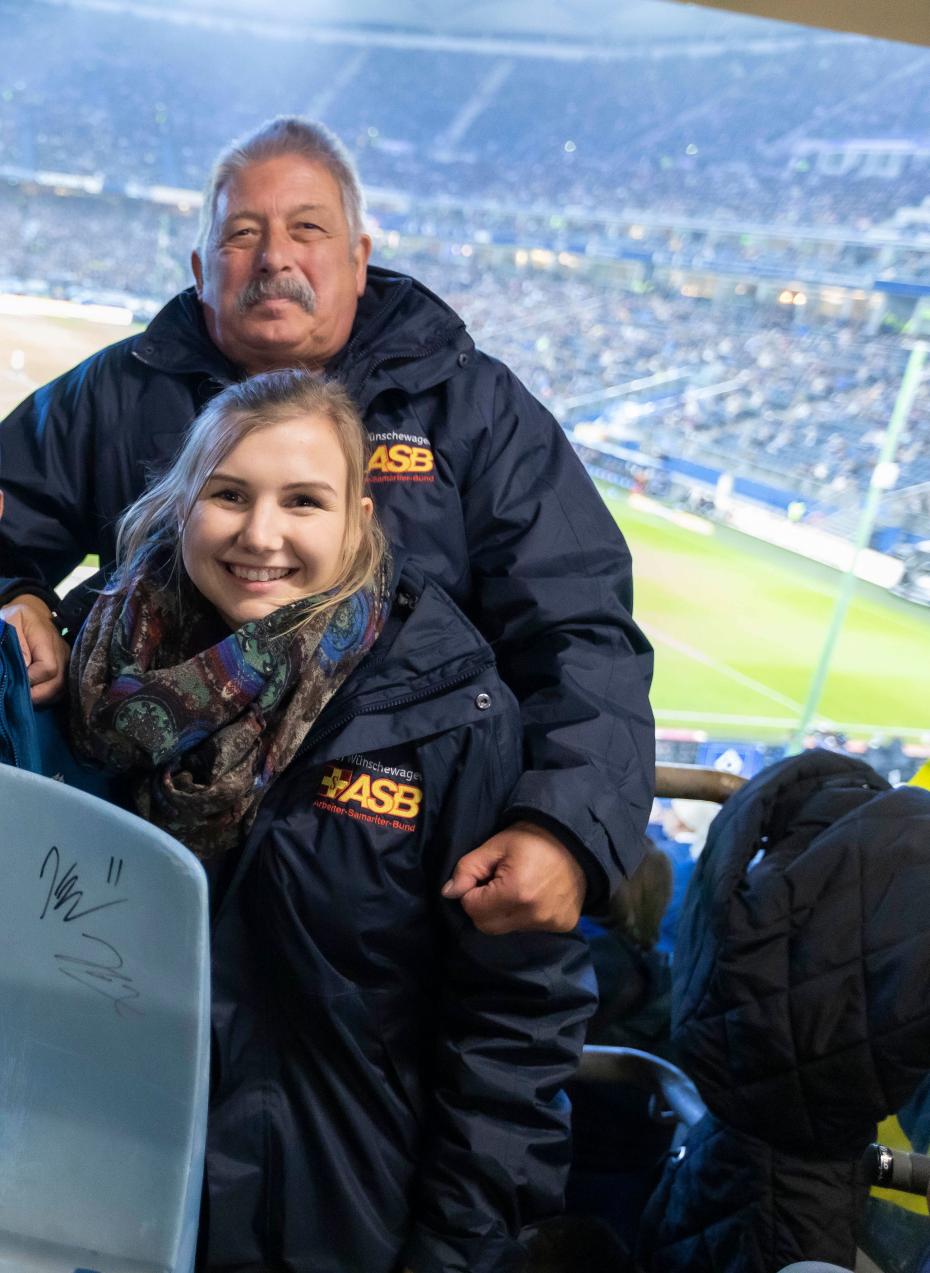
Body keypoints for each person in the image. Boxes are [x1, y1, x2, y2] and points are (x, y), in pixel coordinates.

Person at [0, 115, 654, 934]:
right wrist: (17, 594)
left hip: (381, 903)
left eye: (307, 229)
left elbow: (581, 628)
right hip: (126, 902)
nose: (275, 257)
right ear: (202, 269)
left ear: (359, 259)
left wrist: (564, 825)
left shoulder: (474, 412)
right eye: (243, 233)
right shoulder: (115, 393)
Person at [67, 368, 596, 1272]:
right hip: (89, 1186)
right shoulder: (87, 663)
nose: (260, 534)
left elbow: (512, 1022)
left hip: (331, 1222)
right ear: (184, 500)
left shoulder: (445, 714)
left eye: (302, 501)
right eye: (229, 494)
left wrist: (458, 1250)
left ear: (358, 515)